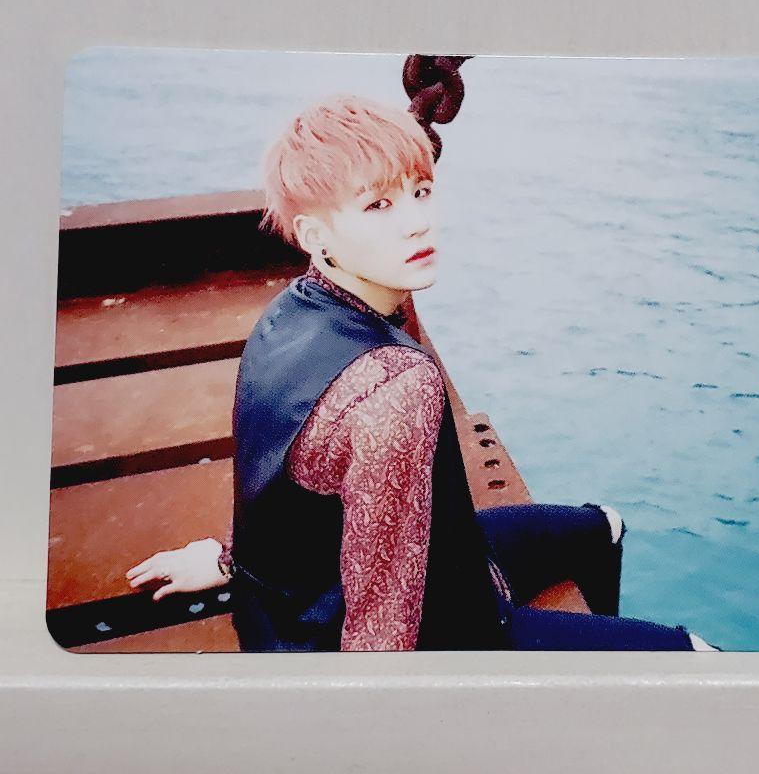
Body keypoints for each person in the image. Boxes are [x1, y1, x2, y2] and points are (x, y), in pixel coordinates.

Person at [127, 94, 718, 652]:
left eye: (421, 191)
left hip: (293, 610)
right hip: (433, 632)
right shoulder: (397, 385)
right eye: (377, 205)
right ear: (315, 235)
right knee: (698, 654)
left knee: (601, 526)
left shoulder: (287, 316)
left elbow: (283, 490)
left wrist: (229, 560)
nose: (417, 223)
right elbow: (383, 636)